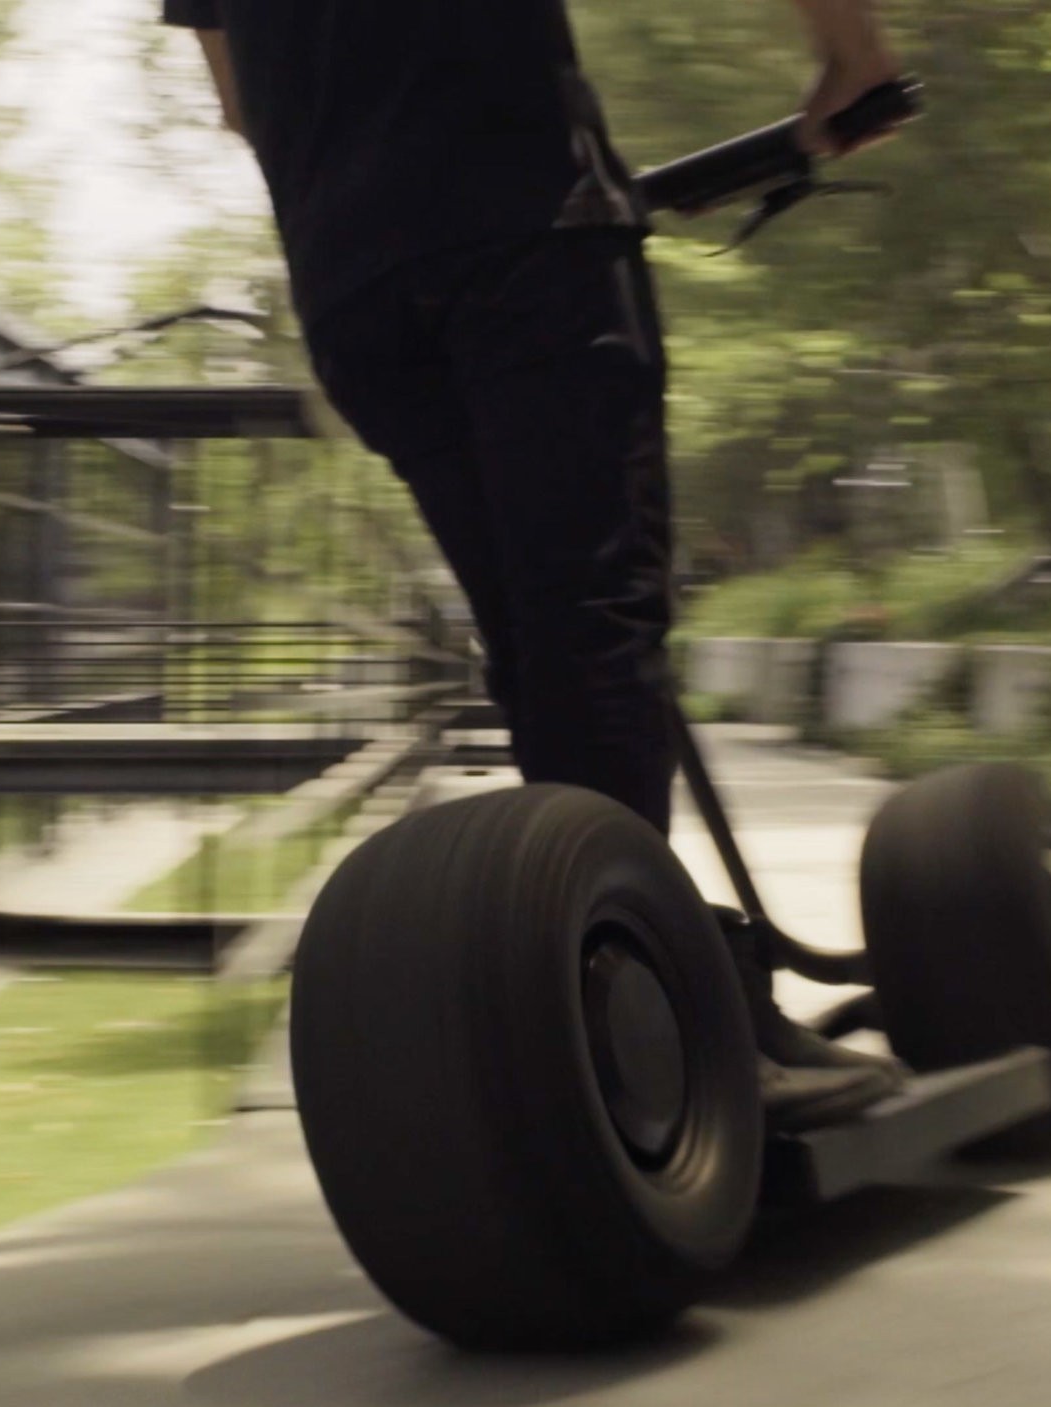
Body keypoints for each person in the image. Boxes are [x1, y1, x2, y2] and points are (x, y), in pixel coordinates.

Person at [164, 0, 907, 1124]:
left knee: (534, 643)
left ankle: (601, 986)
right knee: (592, 629)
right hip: (528, 231)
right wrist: (852, 58)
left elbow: (238, 105)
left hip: (353, 286)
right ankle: (651, 1028)